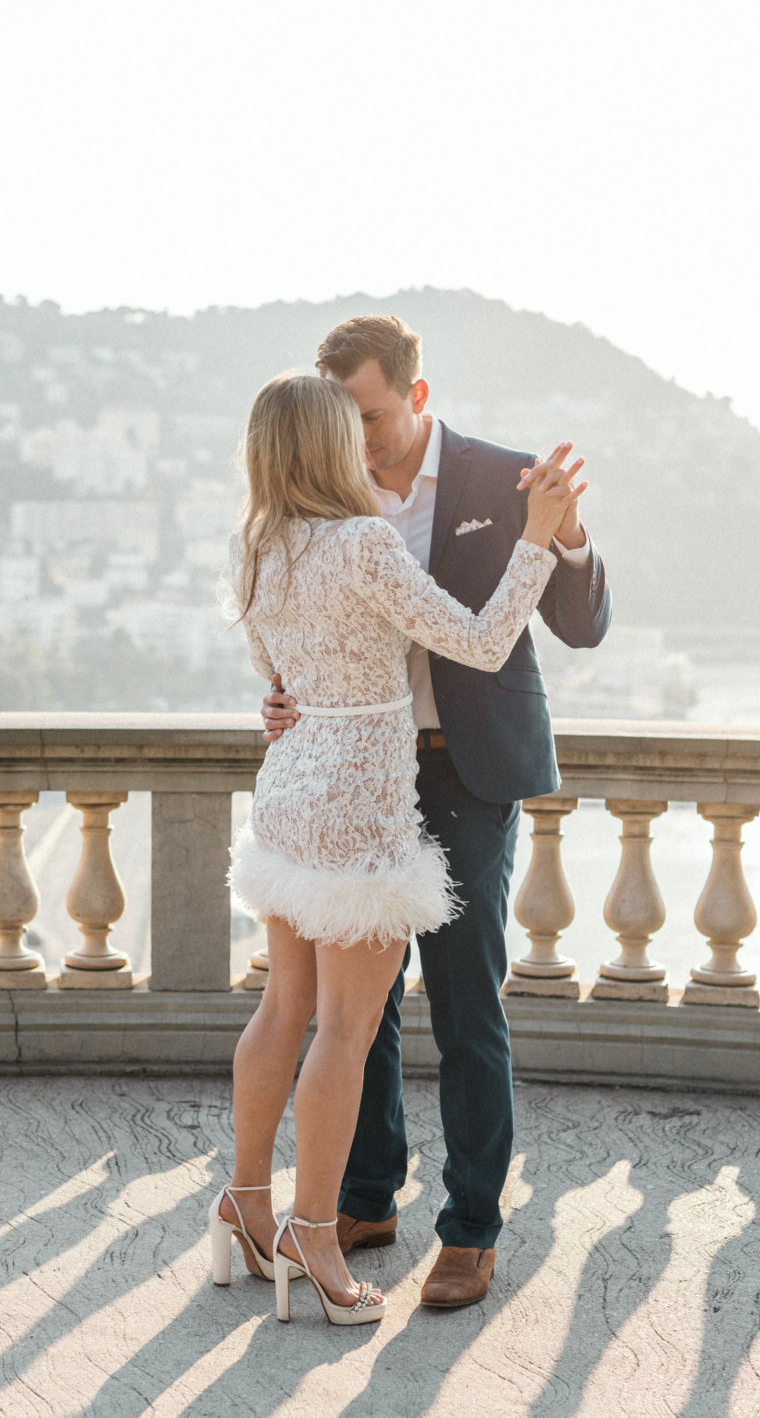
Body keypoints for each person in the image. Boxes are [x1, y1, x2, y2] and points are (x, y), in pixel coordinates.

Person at [212, 371, 586, 1326]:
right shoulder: (364, 542)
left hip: (289, 791)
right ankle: (316, 1234)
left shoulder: (255, 545)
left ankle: (245, 1205)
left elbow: (277, 675)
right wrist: (537, 538)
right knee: (346, 1030)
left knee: (283, 1007)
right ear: (329, 445)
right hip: (360, 805)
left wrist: (296, 697)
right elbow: (482, 640)